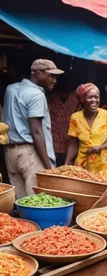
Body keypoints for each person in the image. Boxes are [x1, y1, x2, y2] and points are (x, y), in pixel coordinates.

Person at [4, 59, 63, 198]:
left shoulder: (10, 89)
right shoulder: (37, 95)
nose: (54, 80)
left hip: (10, 152)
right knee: (37, 200)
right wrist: (48, 167)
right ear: (38, 73)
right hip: (30, 153)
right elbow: (36, 132)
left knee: (20, 201)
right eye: (51, 76)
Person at [65, 84, 107, 182]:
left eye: (96, 97)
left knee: (101, 193)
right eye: (90, 97)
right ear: (82, 99)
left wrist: (100, 147)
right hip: (82, 165)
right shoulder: (75, 118)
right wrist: (67, 163)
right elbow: (74, 143)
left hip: (103, 166)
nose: (94, 100)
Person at [47, 80, 79, 166]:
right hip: (54, 137)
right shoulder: (52, 96)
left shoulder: (75, 97)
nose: (66, 85)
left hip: (70, 137)